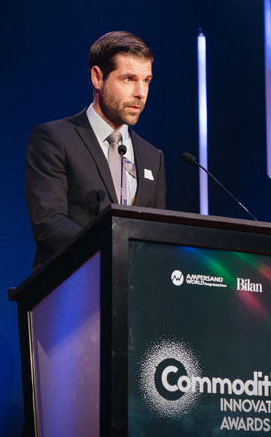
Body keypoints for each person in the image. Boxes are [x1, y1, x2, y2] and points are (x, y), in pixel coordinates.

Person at [25, 30, 167, 268]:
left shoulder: (154, 157)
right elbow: (48, 224)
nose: (140, 93)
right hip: (72, 284)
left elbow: (157, 234)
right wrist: (112, 249)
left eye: (146, 81)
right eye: (128, 79)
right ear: (97, 78)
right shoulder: (55, 139)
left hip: (134, 288)